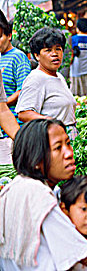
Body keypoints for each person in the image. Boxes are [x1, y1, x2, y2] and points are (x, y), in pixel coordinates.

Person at [0, 119, 87, 270]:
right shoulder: (37, 194)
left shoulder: (19, 186)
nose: (69, 153)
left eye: (68, 143)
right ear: (37, 160)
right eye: (58, 148)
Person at [15, 28, 78, 140]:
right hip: (52, 138)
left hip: (67, 136)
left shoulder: (59, 76)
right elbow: (24, 113)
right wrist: (50, 121)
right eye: (48, 50)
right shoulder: (36, 78)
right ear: (37, 55)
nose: (55, 54)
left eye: (58, 49)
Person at [0, 10, 29, 163]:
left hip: (12, 124)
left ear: (9, 35)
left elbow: (23, 90)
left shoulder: (18, 56)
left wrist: (5, 101)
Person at [70, 18, 87, 96]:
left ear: (77, 28)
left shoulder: (73, 39)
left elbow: (70, 57)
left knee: (76, 96)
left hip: (76, 71)